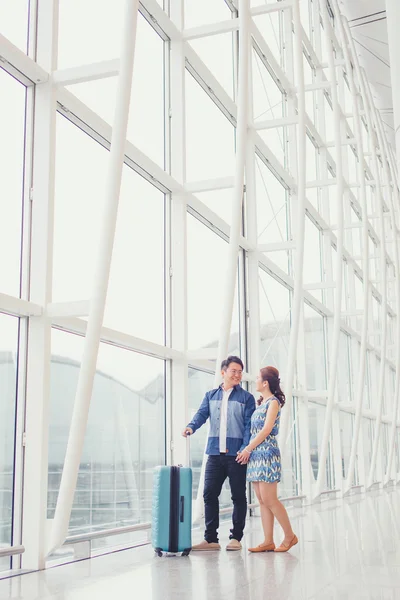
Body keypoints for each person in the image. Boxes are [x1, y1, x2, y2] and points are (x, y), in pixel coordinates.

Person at [182, 356, 255, 551]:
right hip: (214, 453)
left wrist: (246, 448)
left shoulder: (246, 398)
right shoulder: (210, 395)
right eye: (234, 371)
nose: (237, 375)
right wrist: (191, 427)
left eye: (240, 371)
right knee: (209, 494)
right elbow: (201, 415)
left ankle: (236, 538)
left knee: (238, 496)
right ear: (223, 372)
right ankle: (211, 539)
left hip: (237, 454)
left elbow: (249, 426)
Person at [236, 366, 298, 553]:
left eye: (257, 378)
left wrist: (247, 448)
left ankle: (289, 536)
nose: (254, 381)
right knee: (262, 500)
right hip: (256, 455)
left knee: (270, 499)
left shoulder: (273, 403)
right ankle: (268, 540)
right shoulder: (261, 403)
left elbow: (266, 429)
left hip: (266, 453)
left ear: (265, 383)